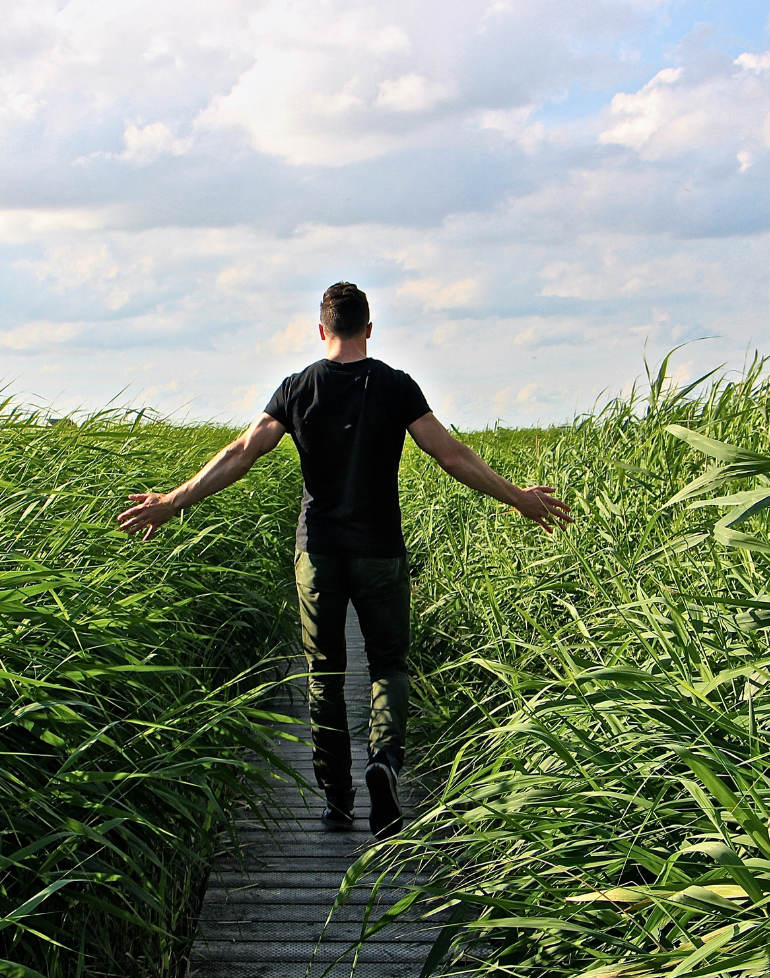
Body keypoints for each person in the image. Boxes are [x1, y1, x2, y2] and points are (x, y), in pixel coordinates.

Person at [117, 282, 571, 839]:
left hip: (320, 554)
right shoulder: (396, 386)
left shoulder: (298, 387)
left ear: (322, 329)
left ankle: (337, 799)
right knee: (387, 665)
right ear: (370, 329)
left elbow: (242, 453)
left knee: (325, 674)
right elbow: (451, 454)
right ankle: (384, 763)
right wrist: (519, 499)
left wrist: (171, 501)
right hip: (380, 550)